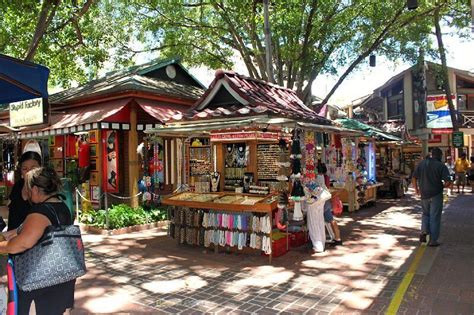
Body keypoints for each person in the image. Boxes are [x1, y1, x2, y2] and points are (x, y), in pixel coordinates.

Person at [0, 166, 76, 314]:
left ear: (35, 189)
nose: (27, 193)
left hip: (41, 282)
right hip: (59, 276)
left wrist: (2, 246)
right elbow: (20, 231)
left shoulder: (41, 212)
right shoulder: (61, 206)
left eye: (28, 189)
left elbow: (22, 243)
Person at [412, 147, 451, 247]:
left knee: (425, 214)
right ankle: (433, 240)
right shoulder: (441, 166)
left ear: (431, 154)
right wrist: (443, 186)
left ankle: (424, 232)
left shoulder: (422, 163)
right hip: (436, 194)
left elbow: (414, 177)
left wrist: (417, 190)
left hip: (424, 194)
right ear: (440, 156)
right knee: (435, 217)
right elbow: (448, 182)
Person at [5, 151, 42, 231]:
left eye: (33, 168)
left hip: (31, 237)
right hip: (11, 236)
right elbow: (9, 207)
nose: (29, 172)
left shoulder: (43, 189)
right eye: (25, 169)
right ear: (21, 171)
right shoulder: (18, 186)